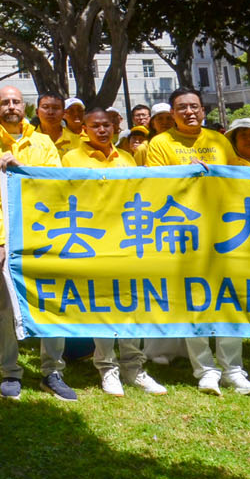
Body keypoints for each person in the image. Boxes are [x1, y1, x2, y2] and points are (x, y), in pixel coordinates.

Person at [143, 88, 250, 395]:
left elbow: (238, 174)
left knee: (228, 300)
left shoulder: (219, 140)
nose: (189, 112)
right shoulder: (160, 143)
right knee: (195, 301)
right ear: (173, 113)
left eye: (194, 106)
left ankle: (234, 370)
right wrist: (190, 173)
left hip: (223, 232)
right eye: (182, 108)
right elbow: (157, 185)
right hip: (184, 234)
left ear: (203, 111)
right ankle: (205, 370)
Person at [62, 109, 167, 397]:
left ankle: (134, 367)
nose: (101, 130)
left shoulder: (127, 158)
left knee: (131, 305)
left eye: (106, 125)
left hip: (127, 240)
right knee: (103, 307)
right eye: (95, 126)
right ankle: (107, 368)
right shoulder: (72, 158)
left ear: (115, 127)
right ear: (84, 129)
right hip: (94, 242)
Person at [0, 86, 69, 400]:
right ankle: (10, 371)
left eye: (16, 101)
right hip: (6, 239)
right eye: (5, 102)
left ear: (24, 106)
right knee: (2, 308)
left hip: (42, 235)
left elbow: (55, 184)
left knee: (51, 304)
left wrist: (21, 172)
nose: (11, 106)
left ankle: (52, 371)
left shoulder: (43, 142)